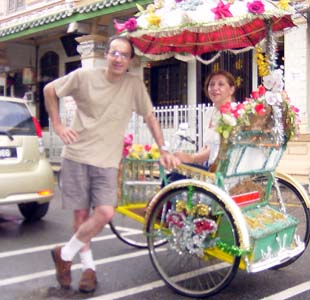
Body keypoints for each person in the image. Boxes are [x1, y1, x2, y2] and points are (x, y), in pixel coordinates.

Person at [44, 35, 179, 293]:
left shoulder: (133, 85)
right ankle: (88, 270)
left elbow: (150, 117)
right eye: (113, 53)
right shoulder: (84, 77)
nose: (117, 58)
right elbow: (49, 90)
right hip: (77, 155)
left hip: (107, 161)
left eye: (123, 55)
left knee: (105, 212)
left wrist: (163, 148)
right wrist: (58, 125)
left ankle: (64, 254)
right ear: (107, 55)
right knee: (81, 216)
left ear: (130, 60)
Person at [174, 70, 236, 168]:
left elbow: (220, 149)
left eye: (221, 84)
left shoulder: (235, 113)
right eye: (211, 85)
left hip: (225, 169)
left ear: (231, 90)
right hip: (208, 166)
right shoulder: (209, 113)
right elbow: (207, 146)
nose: (215, 88)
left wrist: (192, 158)